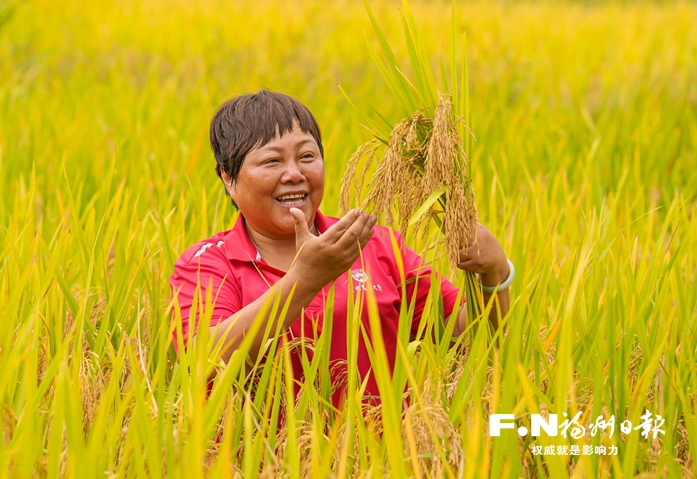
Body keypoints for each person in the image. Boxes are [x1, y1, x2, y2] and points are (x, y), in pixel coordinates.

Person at [169, 90, 512, 407]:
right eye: (272, 161)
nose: (294, 174)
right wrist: (305, 279)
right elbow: (203, 358)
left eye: (307, 156)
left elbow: (465, 337)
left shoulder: (372, 242)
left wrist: (495, 276)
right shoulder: (209, 262)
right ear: (228, 178)